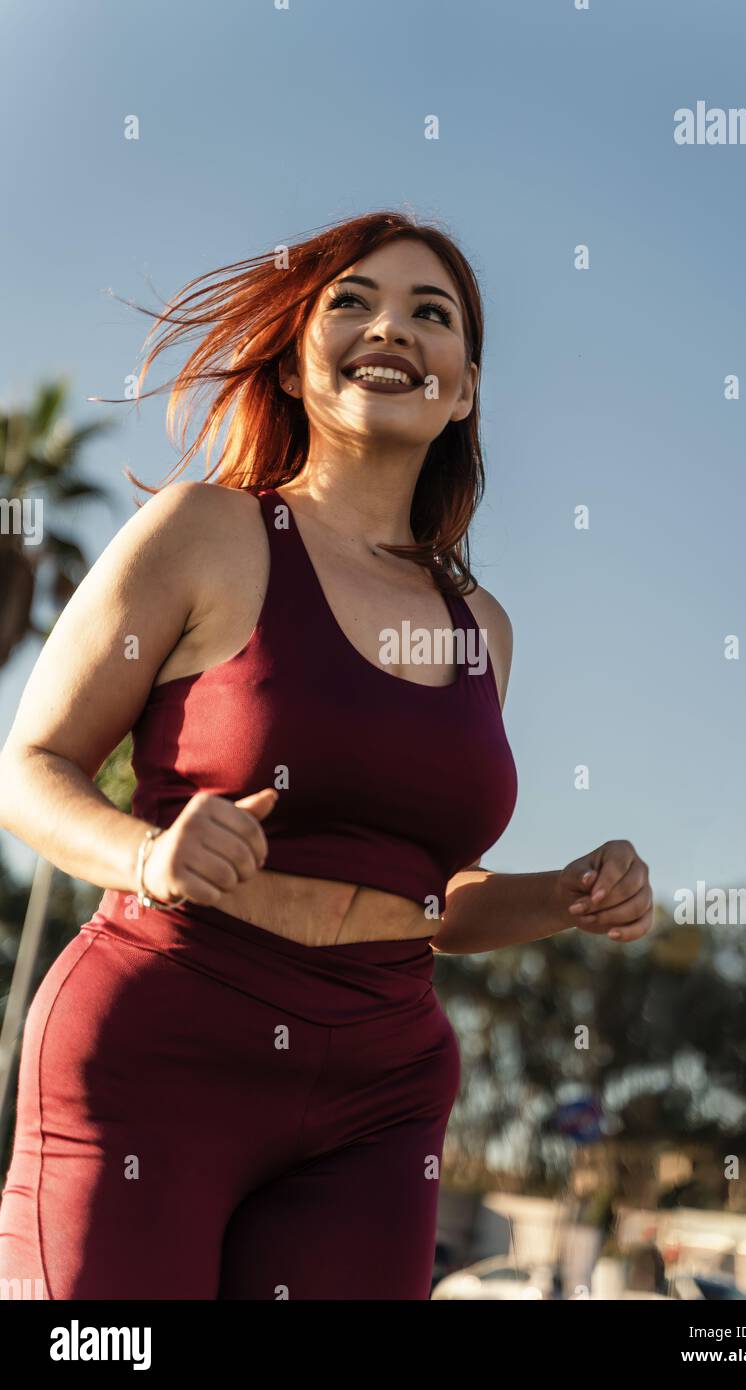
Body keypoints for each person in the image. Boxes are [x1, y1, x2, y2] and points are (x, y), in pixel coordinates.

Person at [0, 210, 653, 1300]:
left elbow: (432, 902)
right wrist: (152, 853)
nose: (389, 326)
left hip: (383, 1087)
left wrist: (566, 891)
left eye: (428, 313)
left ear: (464, 387)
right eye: (350, 303)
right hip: (165, 1034)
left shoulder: (478, 625)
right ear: (299, 366)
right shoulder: (206, 531)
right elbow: (31, 764)